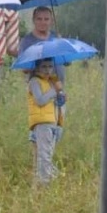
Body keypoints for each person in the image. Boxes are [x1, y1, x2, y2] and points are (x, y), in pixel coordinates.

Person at [27, 57, 65, 185]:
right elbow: (40, 100)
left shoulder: (51, 82)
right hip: (42, 122)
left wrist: (60, 96)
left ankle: (45, 181)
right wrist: (54, 91)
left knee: (48, 154)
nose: (47, 70)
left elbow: (56, 103)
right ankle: (44, 183)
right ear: (37, 67)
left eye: (50, 66)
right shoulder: (34, 81)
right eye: (44, 66)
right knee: (43, 155)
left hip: (53, 121)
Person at [17, 6, 64, 82]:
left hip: (58, 85)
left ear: (51, 21)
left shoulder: (56, 37)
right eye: (39, 19)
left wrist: (62, 45)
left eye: (46, 19)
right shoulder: (27, 41)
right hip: (38, 86)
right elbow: (24, 69)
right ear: (33, 20)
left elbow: (67, 62)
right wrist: (39, 58)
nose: (43, 22)